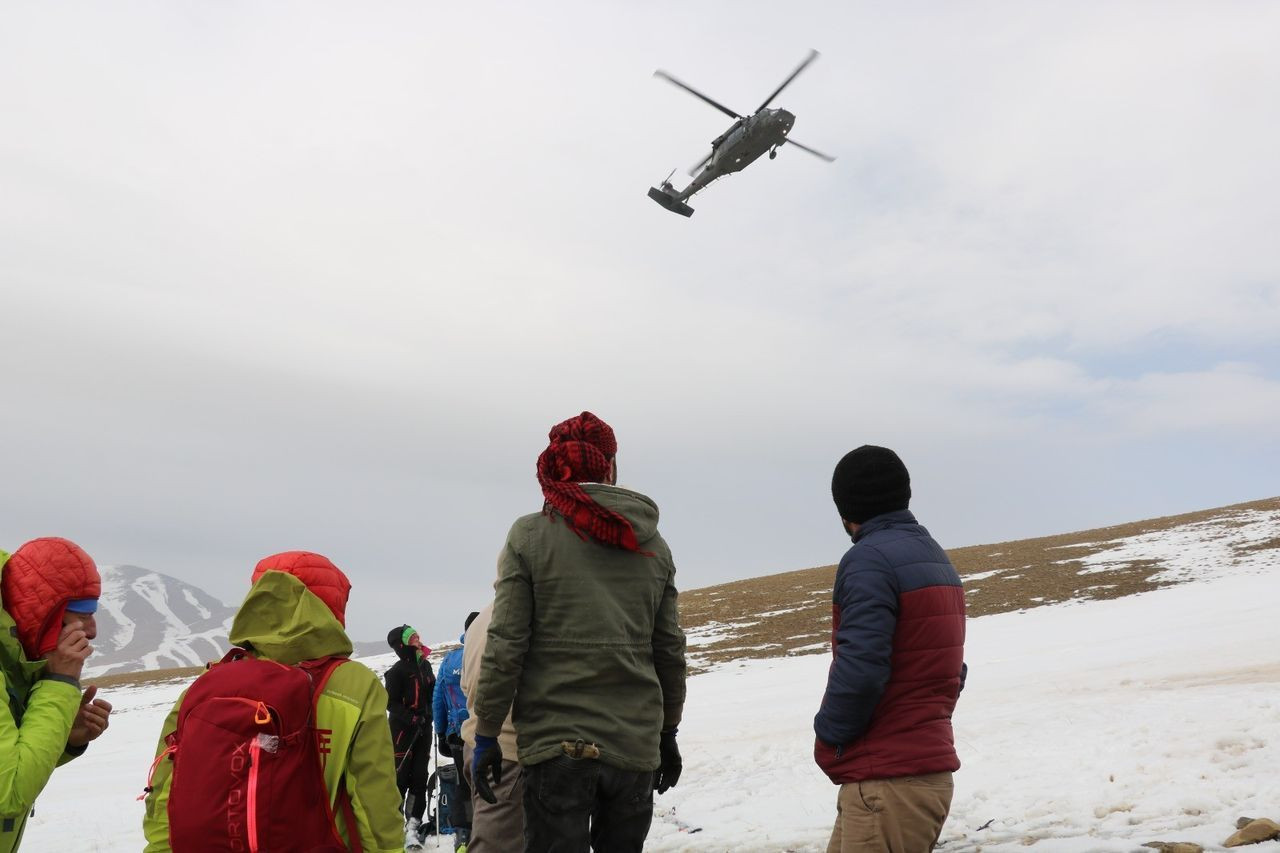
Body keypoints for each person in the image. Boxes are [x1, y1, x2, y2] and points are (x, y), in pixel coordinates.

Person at [471, 411, 687, 853]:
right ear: (609, 465)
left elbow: (506, 642)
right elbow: (668, 650)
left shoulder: (530, 536)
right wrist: (668, 732)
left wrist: (488, 732)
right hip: (634, 745)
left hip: (556, 745)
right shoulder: (653, 544)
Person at [142, 551, 403, 852]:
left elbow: (165, 789)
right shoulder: (353, 684)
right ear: (332, 608)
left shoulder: (210, 683)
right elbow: (375, 798)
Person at [813, 446, 967, 853]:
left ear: (845, 508)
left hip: (886, 783)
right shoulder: (932, 555)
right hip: (915, 773)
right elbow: (952, 667)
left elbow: (862, 668)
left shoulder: (869, 560)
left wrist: (829, 735)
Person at [1, 538, 112, 852]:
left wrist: (66, 739)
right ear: (44, 616)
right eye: (81, 613)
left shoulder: (13, 665)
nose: (92, 631)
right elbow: (10, 792)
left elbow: (11, 761)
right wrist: (60, 682)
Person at [459, 602, 522, 853]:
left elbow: (467, 687)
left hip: (477, 743)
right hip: (509, 752)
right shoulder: (520, 614)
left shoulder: (481, 619)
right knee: (497, 843)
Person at [386, 623, 437, 846]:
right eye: (413, 636)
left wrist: (430, 715)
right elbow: (389, 702)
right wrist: (410, 717)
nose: (418, 638)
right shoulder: (396, 671)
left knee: (419, 776)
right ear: (402, 644)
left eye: (417, 634)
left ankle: (413, 824)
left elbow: (432, 694)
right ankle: (393, 824)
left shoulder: (425, 666)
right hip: (402, 732)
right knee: (399, 778)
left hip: (424, 729)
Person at [433, 611, 478, 848]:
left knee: (463, 783)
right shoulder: (489, 655)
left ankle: (463, 834)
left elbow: (438, 698)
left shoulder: (451, 660)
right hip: (490, 734)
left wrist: (441, 731)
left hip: (457, 734)